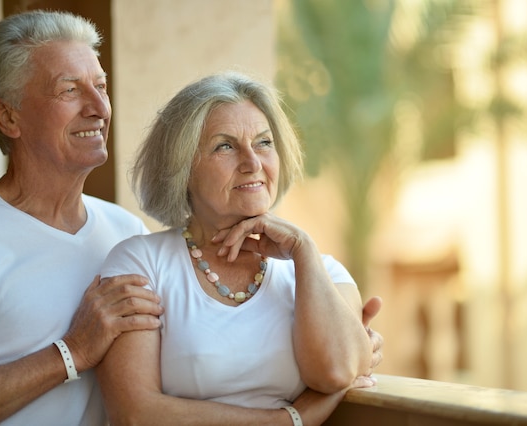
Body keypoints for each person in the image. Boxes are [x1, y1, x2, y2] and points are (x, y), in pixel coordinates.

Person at [97, 71, 384, 425]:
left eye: (264, 143)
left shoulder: (319, 270)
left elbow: (337, 373)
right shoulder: (141, 263)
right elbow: (135, 414)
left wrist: (303, 248)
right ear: (182, 167)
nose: (253, 163)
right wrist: (288, 420)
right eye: (225, 146)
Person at [0, 10, 164, 425]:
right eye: (70, 90)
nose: (98, 107)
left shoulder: (127, 233)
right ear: (9, 116)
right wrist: (73, 351)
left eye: (101, 86)